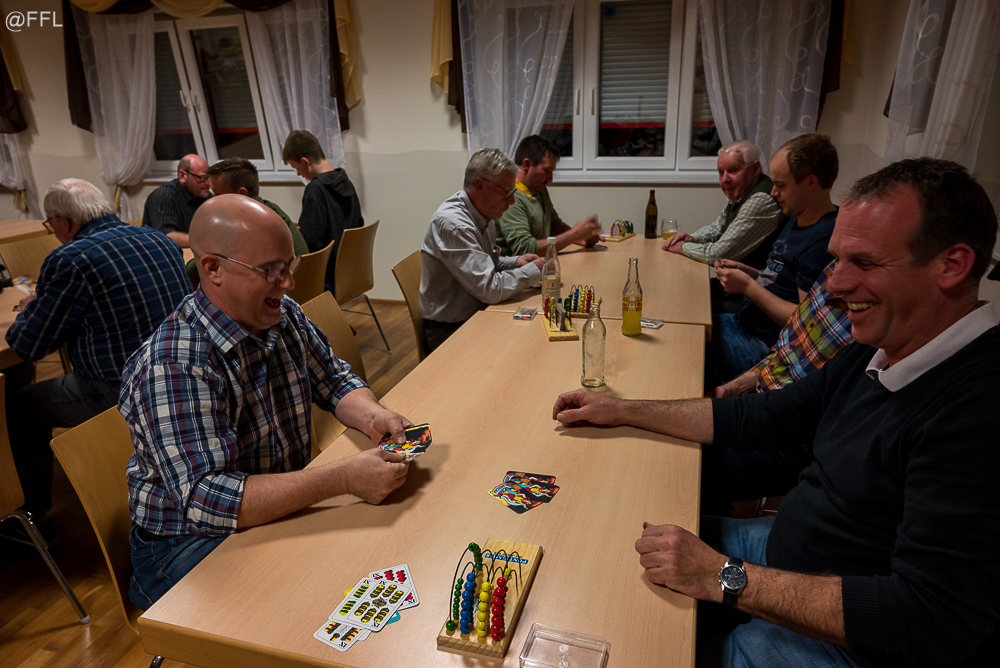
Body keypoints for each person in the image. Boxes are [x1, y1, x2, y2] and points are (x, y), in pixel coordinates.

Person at [552, 157, 1000, 667]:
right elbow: (760, 417)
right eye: (836, 261)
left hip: (849, 644)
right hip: (781, 553)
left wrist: (722, 576)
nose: (835, 286)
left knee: (640, 650)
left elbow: (927, 617)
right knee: (611, 560)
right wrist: (622, 408)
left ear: (951, 265)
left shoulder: (979, 407)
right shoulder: (880, 347)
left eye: (865, 263)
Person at [121, 194, 411, 610]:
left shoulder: (281, 313)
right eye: (271, 270)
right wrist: (343, 478)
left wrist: (373, 415)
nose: (288, 282)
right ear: (213, 268)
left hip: (265, 508)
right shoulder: (174, 364)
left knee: (370, 555)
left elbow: (333, 379)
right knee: (309, 605)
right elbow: (208, 500)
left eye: (289, 266)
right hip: (186, 543)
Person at [4, 178, 191, 542]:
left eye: (51, 225)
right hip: (179, 375)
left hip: (119, 391)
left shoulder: (71, 259)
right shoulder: (159, 239)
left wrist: (32, 309)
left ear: (65, 222)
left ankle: (31, 521)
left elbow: (28, 345)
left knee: (19, 408)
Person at [701, 259, 852, 516]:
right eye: (838, 258)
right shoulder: (832, 270)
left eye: (863, 261)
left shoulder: (871, 326)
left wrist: (749, 285)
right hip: (765, 403)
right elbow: (785, 353)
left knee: (695, 461)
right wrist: (735, 387)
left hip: (795, 435)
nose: (833, 281)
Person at [710, 134, 839, 384]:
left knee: (687, 350)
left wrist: (748, 286)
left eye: (780, 185)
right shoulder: (796, 216)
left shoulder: (823, 241)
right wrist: (748, 272)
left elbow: (806, 322)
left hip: (762, 345)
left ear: (811, 182)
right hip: (743, 323)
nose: (773, 192)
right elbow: (779, 279)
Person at [419, 148, 544, 351]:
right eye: (506, 192)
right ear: (480, 185)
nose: (511, 201)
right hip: (449, 331)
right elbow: (490, 289)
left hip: (477, 314)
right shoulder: (454, 224)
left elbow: (482, 261)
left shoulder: (482, 213)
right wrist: (534, 270)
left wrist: (515, 262)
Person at [186, 157, 310, 286]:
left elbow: (191, 271)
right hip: (306, 288)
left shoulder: (242, 225)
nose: (213, 200)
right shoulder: (271, 209)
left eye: (217, 194)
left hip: (282, 293)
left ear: (242, 193)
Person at [663, 140, 784, 269]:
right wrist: (691, 238)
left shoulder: (761, 200)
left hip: (753, 281)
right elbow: (717, 228)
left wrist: (682, 246)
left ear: (755, 169)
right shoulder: (742, 193)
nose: (725, 179)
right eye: (721, 172)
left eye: (733, 170)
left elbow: (717, 255)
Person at [282, 130, 363, 294]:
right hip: (351, 273)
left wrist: (297, 233)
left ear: (305, 162)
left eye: (295, 167)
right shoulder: (346, 182)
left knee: (281, 286)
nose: (298, 173)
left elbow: (310, 244)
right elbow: (356, 224)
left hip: (326, 278)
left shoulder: (315, 190)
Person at [495, 135, 601, 256]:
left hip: (539, 263)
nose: (550, 179)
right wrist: (573, 235)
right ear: (526, 165)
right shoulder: (510, 197)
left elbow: (554, 225)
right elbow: (524, 249)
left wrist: (582, 237)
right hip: (516, 267)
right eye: (547, 170)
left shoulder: (538, 188)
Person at [142, 153, 212, 248]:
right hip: (167, 252)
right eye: (202, 178)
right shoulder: (163, 196)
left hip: (194, 249)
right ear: (182, 175)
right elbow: (166, 236)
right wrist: (207, 241)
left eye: (209, 177)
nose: (208, 183)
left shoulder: (204, 195)